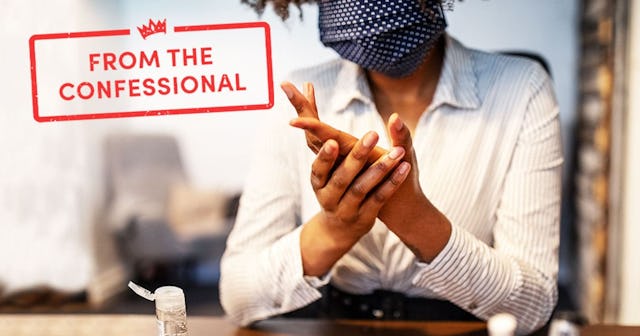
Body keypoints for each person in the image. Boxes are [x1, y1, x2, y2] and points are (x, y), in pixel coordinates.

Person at [220, 0, 563, 334]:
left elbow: (532, 306)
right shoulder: (300, 106)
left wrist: (413, 218)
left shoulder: (522, 90)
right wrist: (335, 229)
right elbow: (238, 296)